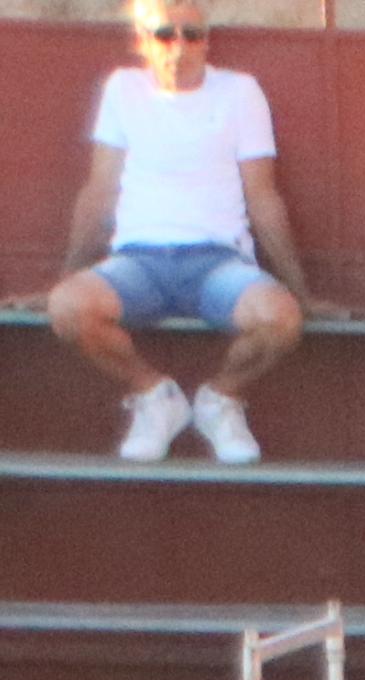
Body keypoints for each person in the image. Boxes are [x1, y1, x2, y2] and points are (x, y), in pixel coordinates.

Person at [48, 0, 309, 466]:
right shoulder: (123, 89)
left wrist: (300, 289)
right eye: (165, 33)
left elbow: (263, 197)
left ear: (207, 40)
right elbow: (99, 190)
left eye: (193, 34)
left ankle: (219, 399)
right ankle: (154, 395)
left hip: (219, 262)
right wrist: (66, 275)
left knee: (282, 319)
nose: (181, 45)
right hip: (138, 262)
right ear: (141, 41)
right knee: (67, 308)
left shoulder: (239, 91)